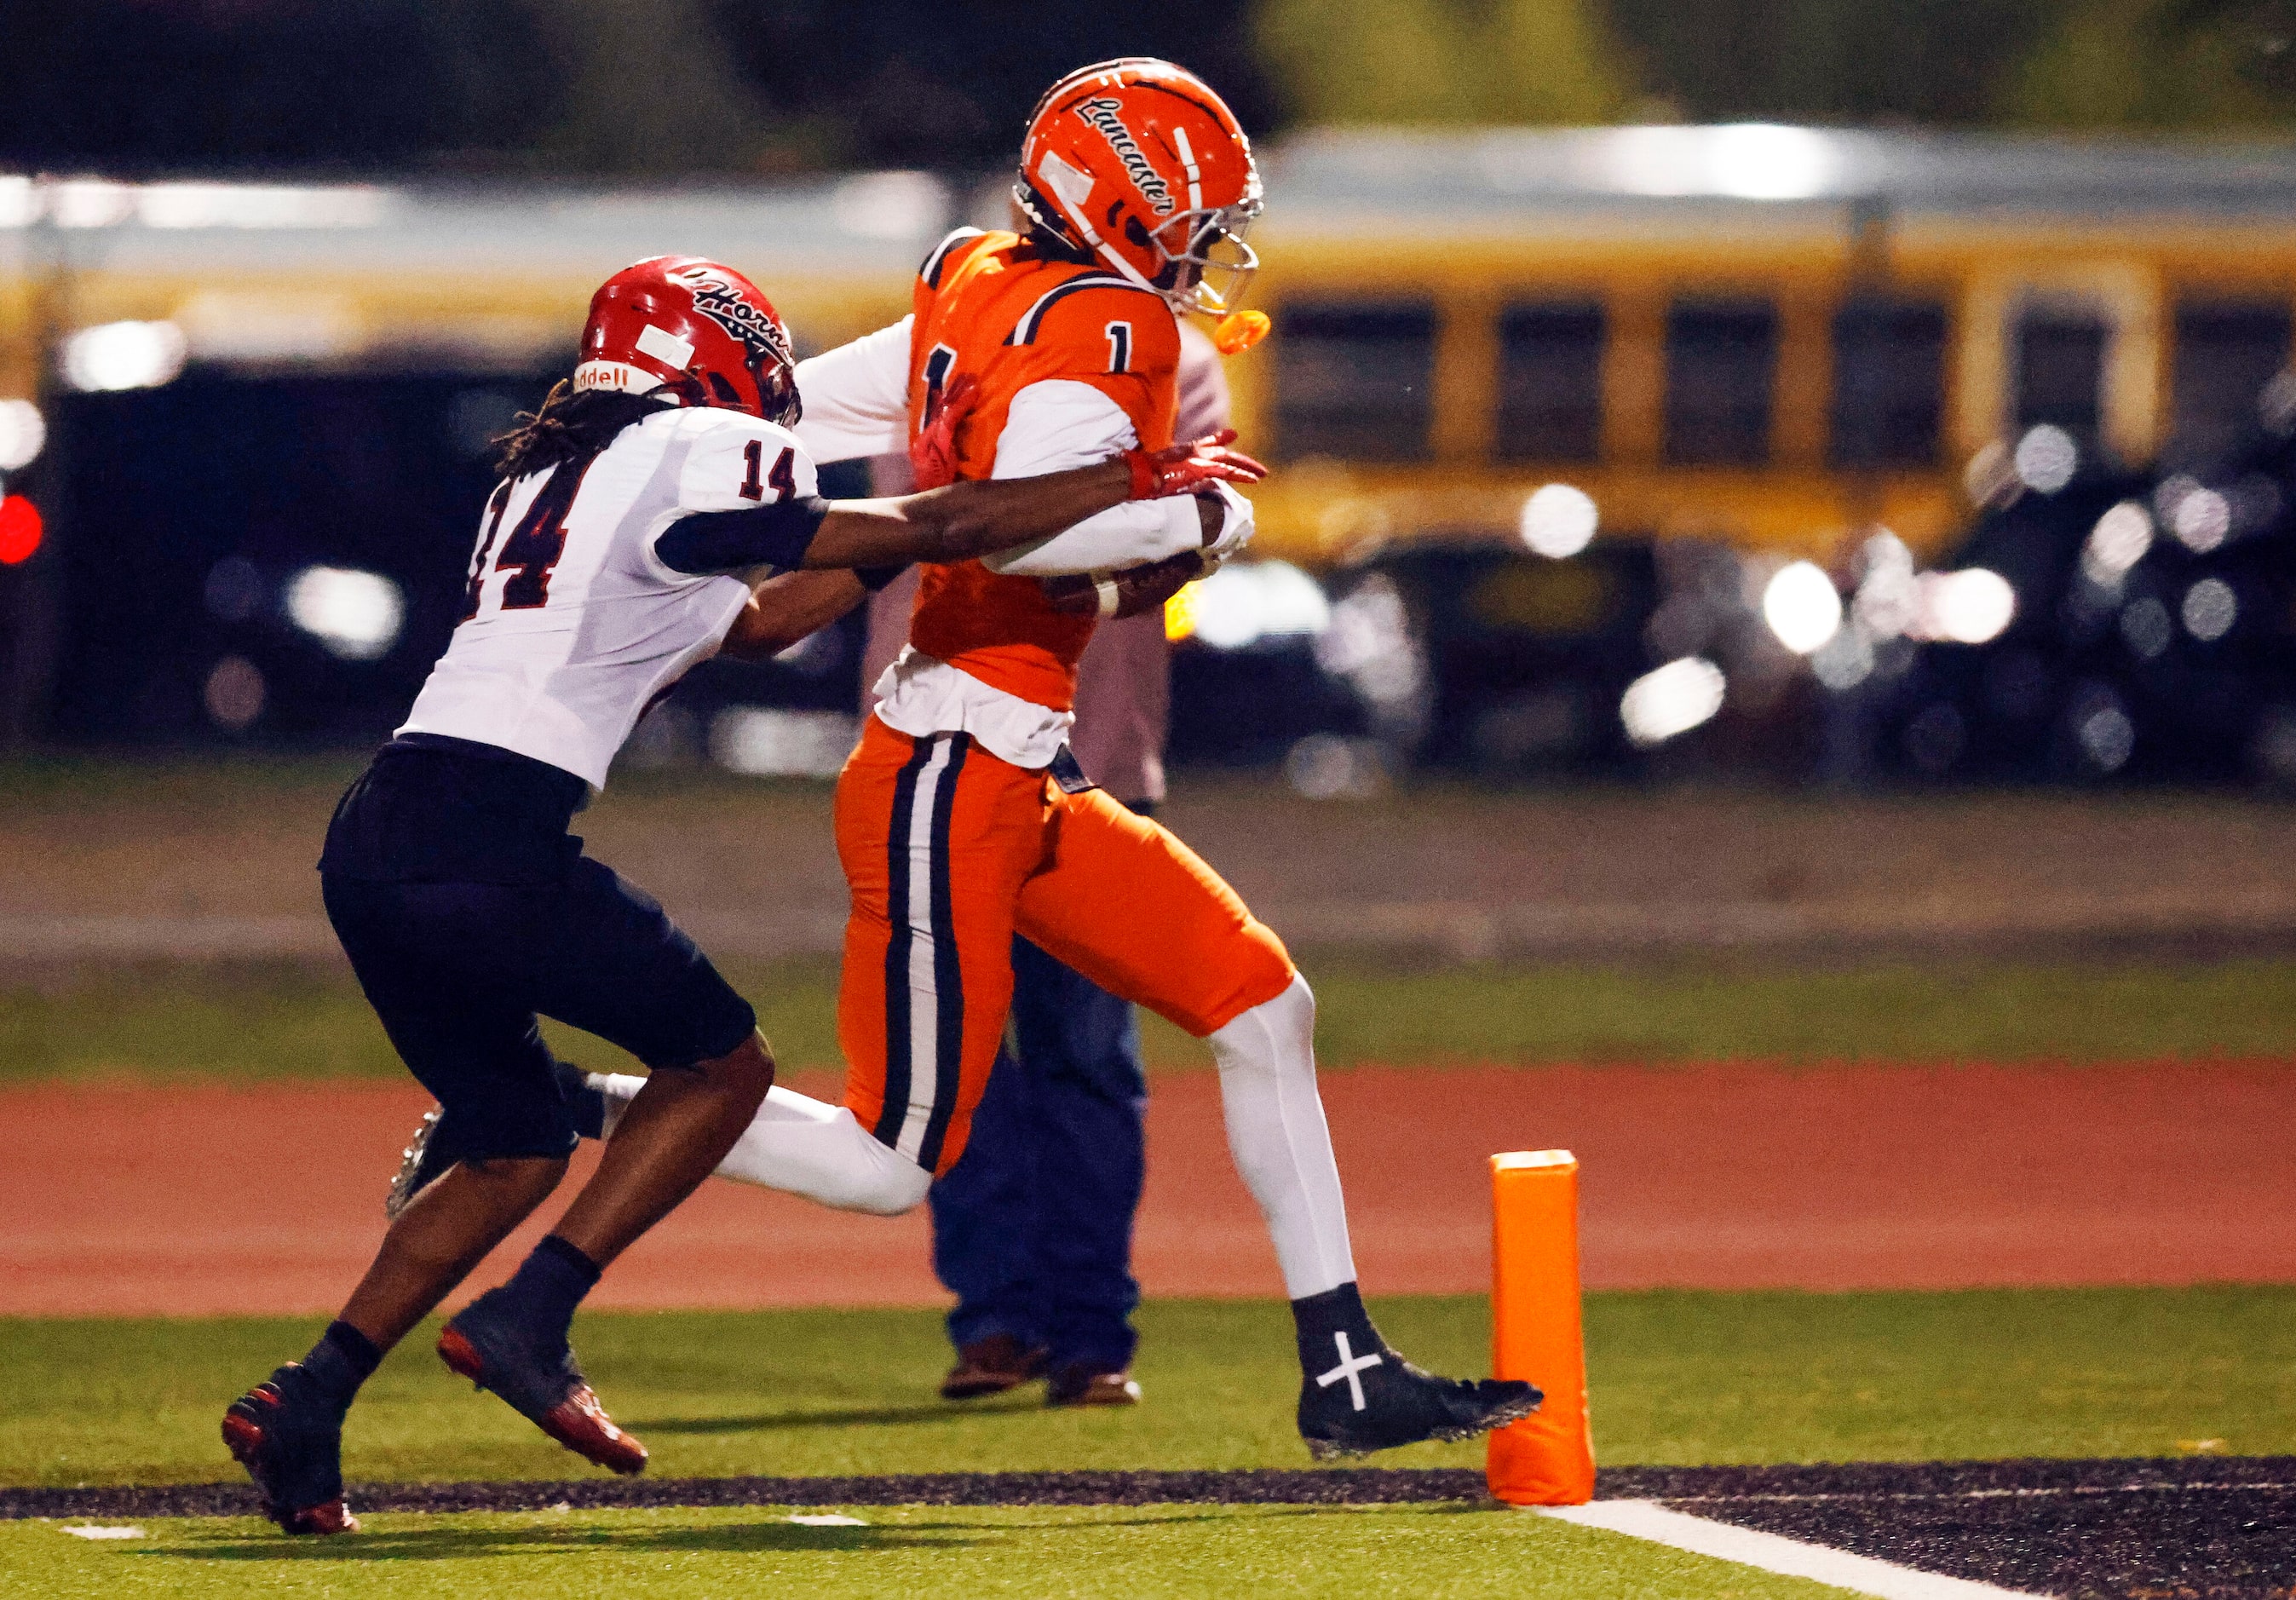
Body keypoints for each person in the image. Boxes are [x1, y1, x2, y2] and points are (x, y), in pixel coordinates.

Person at [574, 59, 1541, 1460]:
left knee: (1264, 1004)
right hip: (944, 774)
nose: (1210, 247)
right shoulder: (1107, 322)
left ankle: (1342, 1364)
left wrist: (688, 449)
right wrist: (1191, 527)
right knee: (886, 1167)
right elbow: (1021, 533)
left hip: (1020, 773)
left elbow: (850, 419)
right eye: (1196, 216)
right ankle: (553, 1097)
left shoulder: (983, 273)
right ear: (1125, 200)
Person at [223, 252, 1262, 1537]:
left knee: (511, 1145)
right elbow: (932, 525)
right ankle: (530, 1316)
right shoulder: (698, 444)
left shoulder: (544, 476)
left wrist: (915, 548)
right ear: (712, 356)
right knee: (720, 1069)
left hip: (375, 838)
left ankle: (305, 1404)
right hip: (493, 839)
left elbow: (762, 623)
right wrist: (1124, 479)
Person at [856, 323, 1218, 1408]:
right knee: (960, 1066)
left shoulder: (1174, 357)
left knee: (1083, 1056)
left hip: (1086, 756)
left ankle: (1088, 1329)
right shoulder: (936, 347)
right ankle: (998, 1321)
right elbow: (919, 522)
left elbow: (1175, 537)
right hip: (933, 746)